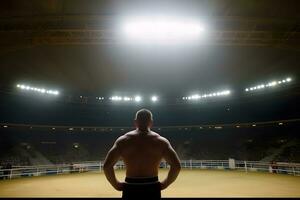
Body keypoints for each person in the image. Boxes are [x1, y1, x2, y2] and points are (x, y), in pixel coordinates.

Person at [103, 109, 181, 199]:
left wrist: (116, 185)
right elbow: (176, 166)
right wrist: (165, 184)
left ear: (135, 122)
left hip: (130, 186)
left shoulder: (123, 141)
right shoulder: (161, 141)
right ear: (151, 122)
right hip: (152, 186)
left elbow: (107, 166)